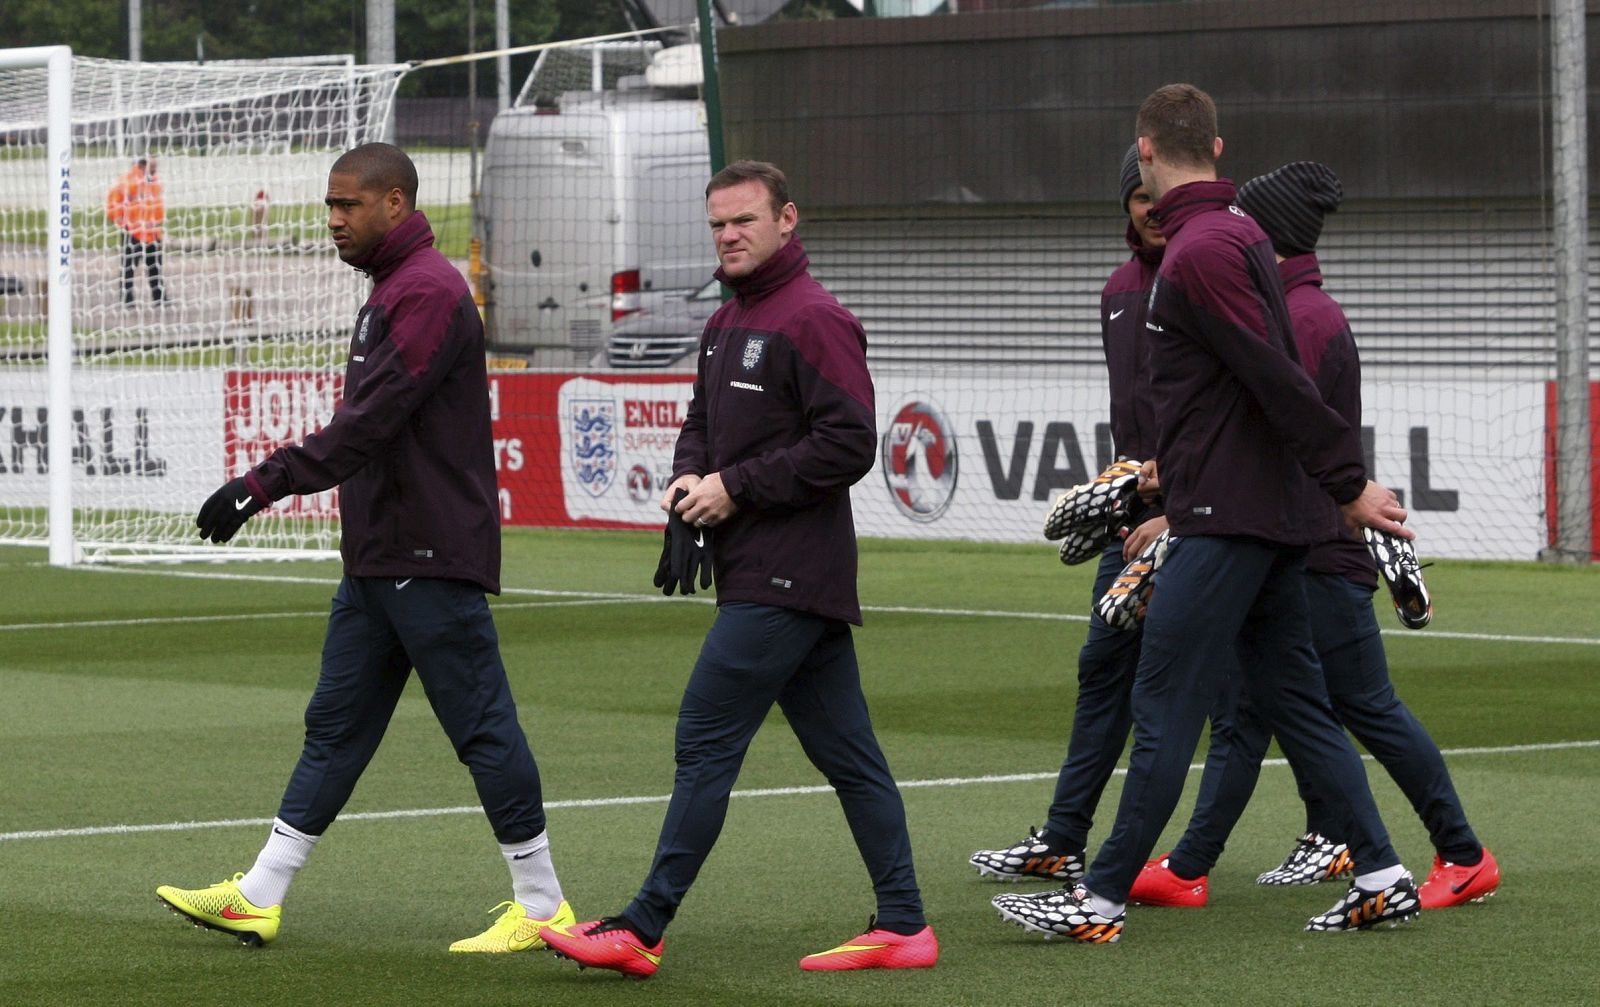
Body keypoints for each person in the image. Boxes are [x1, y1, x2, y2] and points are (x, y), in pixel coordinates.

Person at [991, 84, 1419, 943]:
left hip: (1228, 519)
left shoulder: (1200, 251)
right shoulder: (1238, 236)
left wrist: (1347, 484)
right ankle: (1382, 872)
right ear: (1219, 150)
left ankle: (1100, 897)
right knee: (1297, 705)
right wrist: (1158, 481)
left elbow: (1273, 377)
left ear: (1145, 151)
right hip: (1245, 510)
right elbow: (1233, 391)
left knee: (1163, 700)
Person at [155, 142, 572, 953]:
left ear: (396, 203)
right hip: (381, 554)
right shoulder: (394, 289)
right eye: (329, 207)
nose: (334, 220)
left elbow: (371, 421)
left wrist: (259, 484)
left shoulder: (427, 292)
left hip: (428, 552)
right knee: (336, 726)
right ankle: (261, 891)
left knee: (481, 726)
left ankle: (543, 901)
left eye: (348, 205)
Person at [539, 160, 937, 977]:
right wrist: (692, 481)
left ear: (787, 219)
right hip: (768, 571)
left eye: (744, 221)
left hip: (789, 575)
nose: (728, 235)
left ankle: (643, 925)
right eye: (717, 224)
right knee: (850, 756)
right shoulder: (725, 321)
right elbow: (701, 423)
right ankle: (905, 925)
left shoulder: (816, 318)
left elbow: (850, 442)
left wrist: (735, 487)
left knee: (705, 734)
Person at [1127, 161, 1499, 910]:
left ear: (1272, 235)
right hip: (1299, 537)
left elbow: (1276, 427)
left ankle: (1454, 851)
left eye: (1252, 222)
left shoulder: (1298, 316)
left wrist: (1180, 507)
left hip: (1310, 546)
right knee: (1258, 708)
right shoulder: (1300, 307)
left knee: (1347, 706)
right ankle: (1195, 864)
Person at [969, 145, 1235, 888]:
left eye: (1157, 196)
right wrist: (1127, 492)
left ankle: (1334, 837)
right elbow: (1138, 419)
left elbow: (1226, 413)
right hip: (1139, 518)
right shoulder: (1118, 290)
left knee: (1254, 687)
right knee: (1103, 668)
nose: (1151, 210)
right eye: (1137, 199)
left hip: (1210, 514)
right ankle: (1064, 836)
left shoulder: (1210, 271)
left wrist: (1179, 503)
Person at [106, 157, 167, 306]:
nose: (155, 169)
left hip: (152, 233)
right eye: (152, 166)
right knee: (129, 266)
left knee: (155, 266)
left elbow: (157, 203)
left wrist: (158, 220)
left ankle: (159, 297)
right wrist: (120, 220)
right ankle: (127, 298)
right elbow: (113, 202)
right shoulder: (127, 181)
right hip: (133, 232)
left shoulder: (154, 181)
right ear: (142, 165)